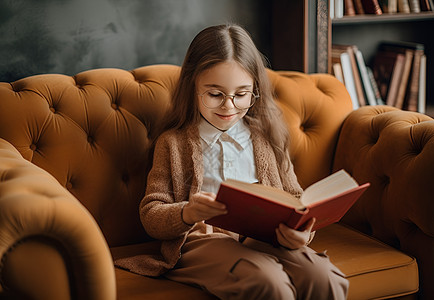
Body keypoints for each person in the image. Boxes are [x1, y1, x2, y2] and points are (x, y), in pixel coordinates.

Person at [120, 24, 348, 299]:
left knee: (324, 277)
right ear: (193, 88)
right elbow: (151, 214)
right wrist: (187, 213)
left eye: (241, 95)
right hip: (202, 243)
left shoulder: (269, 138)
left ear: (255, 90)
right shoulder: (173, 143)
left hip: (265, 239)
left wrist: (302, 235)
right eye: (215, 94)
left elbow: (296, 198)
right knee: (267, 282)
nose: (228, 106)